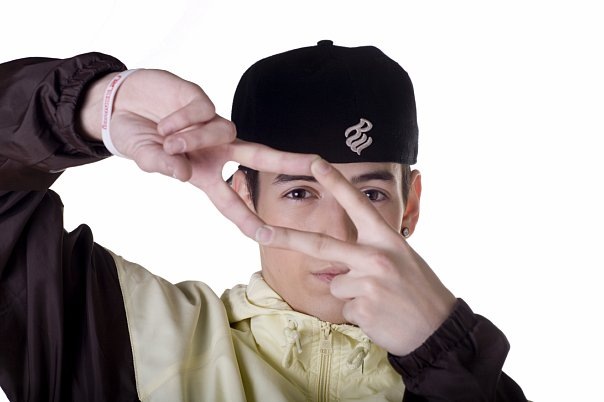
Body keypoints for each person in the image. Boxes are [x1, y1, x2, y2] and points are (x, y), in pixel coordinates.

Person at [0, 41, 528, 401]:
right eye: (299, 192)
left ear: (409, 206)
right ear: (245, 198)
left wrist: (442, 353)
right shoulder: (125, 336)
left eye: (370, 194)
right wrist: (86, 107)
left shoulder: (462, 379)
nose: (338, 233)